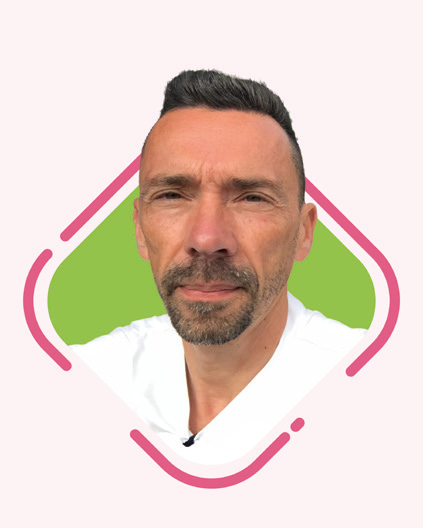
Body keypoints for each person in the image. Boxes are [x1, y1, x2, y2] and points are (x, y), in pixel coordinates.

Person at [71, 70, 365, 464]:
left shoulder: (370, 386)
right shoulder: (87, 380)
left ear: (304, 233)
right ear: (140, 229)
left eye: (252, 198)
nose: (207, 238)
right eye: (172, 195)